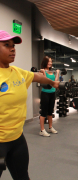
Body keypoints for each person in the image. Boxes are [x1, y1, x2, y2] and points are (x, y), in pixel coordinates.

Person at [0, 30, 60, 179]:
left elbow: (38, 77)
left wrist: (53, 82)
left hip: (17, 139)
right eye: (6, 45)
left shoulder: (18, 73)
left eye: (13, 45)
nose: (13, 48)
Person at [39, 56, 60, 137]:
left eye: (51, 62)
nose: (50, 63)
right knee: (43, 111)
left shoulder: (51, 72)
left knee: (50, 111)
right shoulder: (42, 71)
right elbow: (44, 81)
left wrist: (57, 73)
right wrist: (43, 73)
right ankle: (42, 130)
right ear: (45, 62)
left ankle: (50, 127)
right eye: (49, 62)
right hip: (45, 93)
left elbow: (55, 83)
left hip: (52, 93)